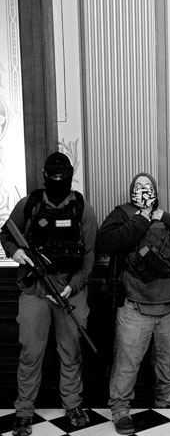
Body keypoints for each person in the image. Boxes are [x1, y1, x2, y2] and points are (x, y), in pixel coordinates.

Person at [0, 152, 98, 436]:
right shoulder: (29, 203)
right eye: (52, 176)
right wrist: (14, 250)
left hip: (70, 290)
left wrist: (72, 287)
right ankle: (24, 412)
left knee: (71, 351)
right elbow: (6, 233)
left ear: (70, 175)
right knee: (31, 353)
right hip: (35, 291)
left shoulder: (81, 207)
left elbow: (90, 256)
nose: (57, 180)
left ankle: (73, 406)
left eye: (62, 176)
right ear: (44, 176)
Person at [97, 173, 170, 434]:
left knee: (166, 355)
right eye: (139, 187)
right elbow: (107, 242)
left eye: (149, 187)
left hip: (167, 302)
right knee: (127, 360)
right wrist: (141, 217)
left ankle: (167, 394)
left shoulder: (165, 217)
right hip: (135, 304)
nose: (144, 190)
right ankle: (120, 407)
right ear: (131, 191)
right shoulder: (122, 213)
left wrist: (165, 218)